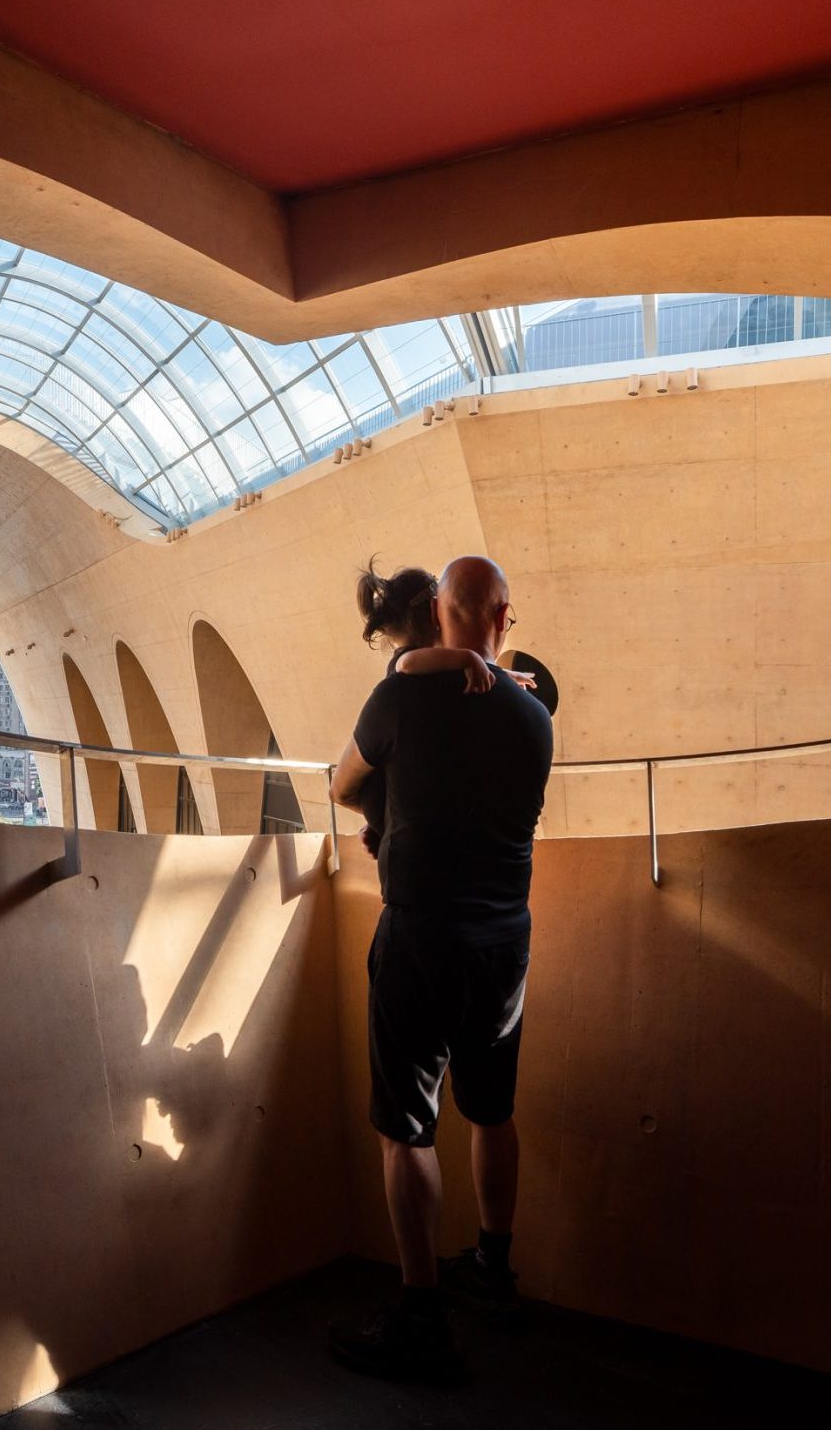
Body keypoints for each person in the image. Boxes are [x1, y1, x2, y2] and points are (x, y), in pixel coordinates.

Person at [327, 555, 554, 1382]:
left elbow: (341, 783)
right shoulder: (535, 716)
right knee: (492, 1111)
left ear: (435, 612)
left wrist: (385, 805)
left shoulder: (398, 697)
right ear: (501, 618)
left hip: (422, 936)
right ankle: (492, 1268)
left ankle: (421, 1317)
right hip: (504, 940)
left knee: (406, 1130)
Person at [354, 560, 533, 858]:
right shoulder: (412, 659)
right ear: (434, 613)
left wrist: (504, 675)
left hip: (387, 801)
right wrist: (469, 658)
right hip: (381, 798)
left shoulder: (432, 666)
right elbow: (408, 664)